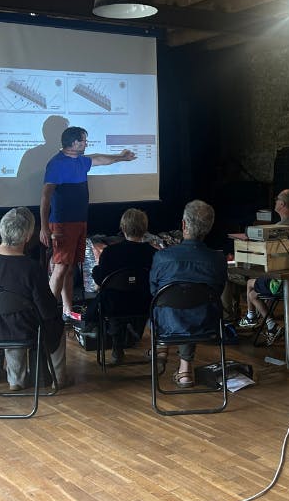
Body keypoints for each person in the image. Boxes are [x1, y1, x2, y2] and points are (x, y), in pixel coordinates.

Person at [0, 208, 67, 392]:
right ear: (28, 236)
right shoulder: (31, 268)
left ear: (1, 229)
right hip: (22, 331)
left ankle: (17, 380)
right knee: (53, 323)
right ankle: (58, 379)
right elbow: (47, 310)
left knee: (12, 318)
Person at [39, 126, 137, 321]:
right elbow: (45, 197)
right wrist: (43, 227)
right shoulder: (56, 164)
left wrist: (120, 157)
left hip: (79, 222)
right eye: (84, 140)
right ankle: (46, 316)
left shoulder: (81, 161)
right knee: (60, 268)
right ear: (74, 143)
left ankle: (67, 310)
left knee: (70, 268)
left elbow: (99, 158)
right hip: (62, 224)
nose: (86, 143)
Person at [150, 200, 227, 388]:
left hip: (166, 324)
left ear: (184, 225)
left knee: (173, 307)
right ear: (209, 228)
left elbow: (154, 292)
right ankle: (185, 370)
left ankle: (162, 348)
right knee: (192, 306)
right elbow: (218, 291)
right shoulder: (218, 259)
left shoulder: (162, 257)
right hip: (206, 324)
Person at [237, 189, 289, 339]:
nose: (275, 202)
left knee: (250, 284)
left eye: (277, 200)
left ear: (282, 204)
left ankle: (255, 319)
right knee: (253, 293)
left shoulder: (277, 230)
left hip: (282, 279)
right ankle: (266, 323)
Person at [89, 208, 157, 365]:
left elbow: (100, 280)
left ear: (123, 228)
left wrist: (95, 270)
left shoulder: (110, 252)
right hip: (145, 304)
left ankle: (116, 346)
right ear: (145, 228)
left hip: (114, 305)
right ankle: (134, 335)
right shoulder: (153, 253)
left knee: (112, 296)